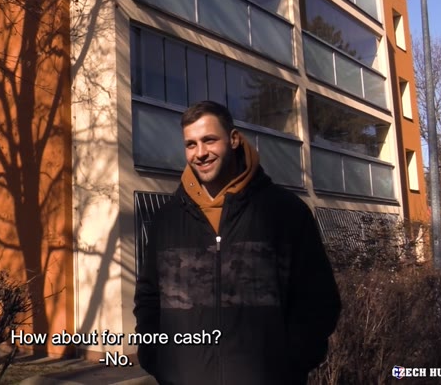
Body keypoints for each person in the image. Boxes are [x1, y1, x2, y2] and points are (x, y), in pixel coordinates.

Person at [133, 101, 341, 384]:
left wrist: (292, 363)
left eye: (209, 140)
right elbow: (148, 296)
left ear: (233, 140)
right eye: (191, 144)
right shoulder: (166, 220)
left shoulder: (286, 212)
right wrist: (156, 357)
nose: (200, 153)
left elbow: (318, 298)